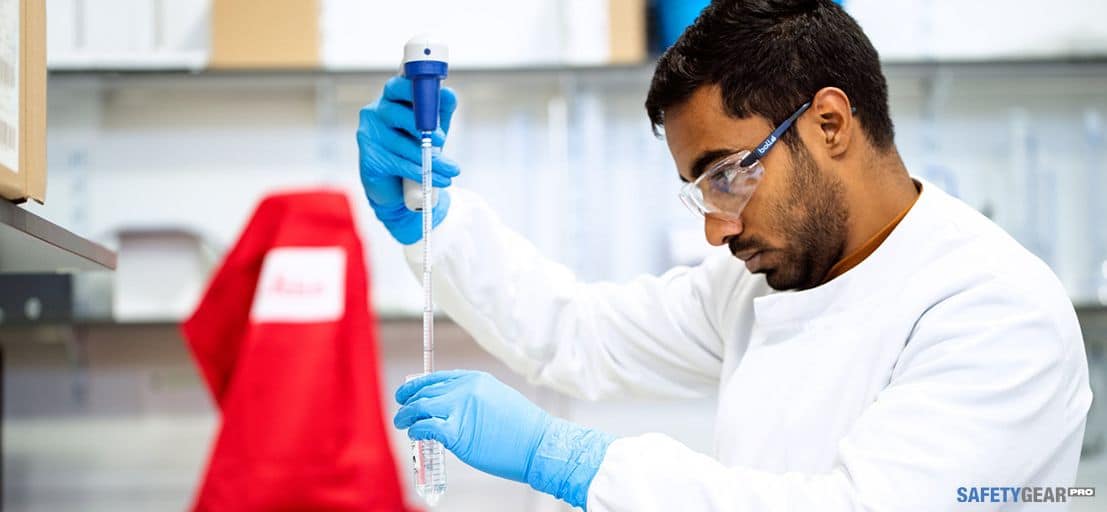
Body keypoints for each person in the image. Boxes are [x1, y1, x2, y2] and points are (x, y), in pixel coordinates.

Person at [356, 1, 1092, 510]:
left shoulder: (993, 310)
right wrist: (431, 219)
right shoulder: (761, 285)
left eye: (727, 176)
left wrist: (572, 461)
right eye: (701, 191)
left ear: (829, 123)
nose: (715, 229)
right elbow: (578, 333)